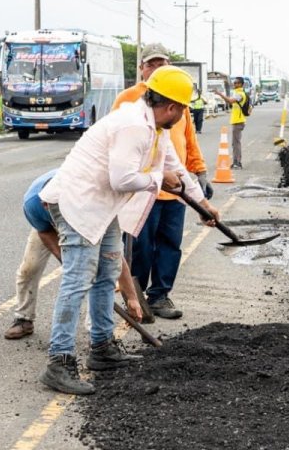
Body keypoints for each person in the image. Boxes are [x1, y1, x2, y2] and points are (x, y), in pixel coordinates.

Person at [37, 66, 219, 395]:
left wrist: (203, 205)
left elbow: (176, 169)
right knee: (78, 279)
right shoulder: (133, 126)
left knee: (107, 273)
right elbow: (123, 179)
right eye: (184, 109)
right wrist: (157, 179)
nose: (183, 115)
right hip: (78, 204)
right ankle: (58, 362)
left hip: (103, 208)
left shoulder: (157, 130)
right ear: (173, 108)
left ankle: (102, 349)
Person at [113, 46, 213, 321]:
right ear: (142, 69)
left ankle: (159, 295)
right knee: (139, 247)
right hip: (141, 189)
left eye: (163, 63)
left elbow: (184, 143)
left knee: (170, 244)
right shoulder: (131, 104)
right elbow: (120, 160)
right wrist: (157, 178)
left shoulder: (176, 102)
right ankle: (134, 295)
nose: (157, 68)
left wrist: (199, 174)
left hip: (174, 190)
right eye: (152, 64)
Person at [4, 169, 143, 340]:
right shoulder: (33, 203)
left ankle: (97, 333)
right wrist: (68, 261)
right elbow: (45, 232)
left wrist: (132, 298)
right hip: (48, 225)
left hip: (83, 222)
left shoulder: (92, 206)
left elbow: (114, 255)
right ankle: (23, 318)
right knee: (29, 269)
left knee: (100, 273)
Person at [216, 77, 248, 169]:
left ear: (241, 84)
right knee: (235, 143)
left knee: (236, 143)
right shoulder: (237, 93)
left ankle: (237, 162)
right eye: (234, 83)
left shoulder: (240, 94)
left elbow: (230, 101)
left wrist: (220, 94)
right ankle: (236, 162)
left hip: (238, 121)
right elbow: (229, 101)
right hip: (236, 121)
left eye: (237, 83)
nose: (235, 85)